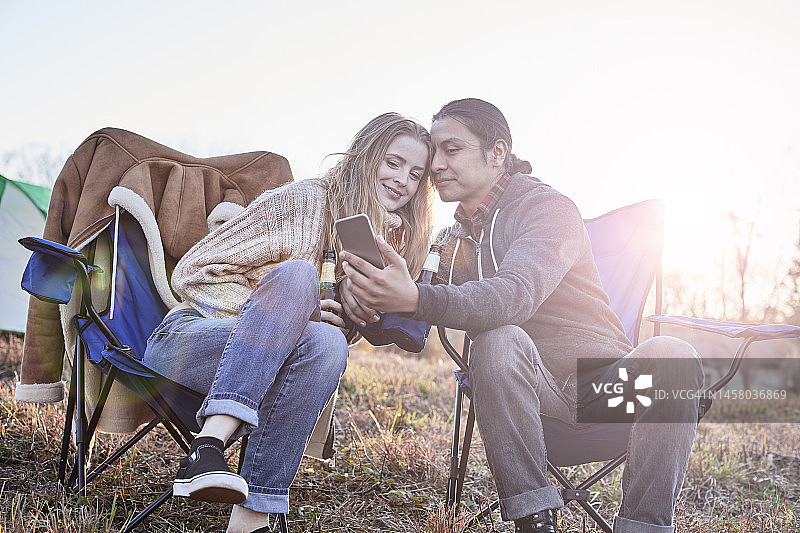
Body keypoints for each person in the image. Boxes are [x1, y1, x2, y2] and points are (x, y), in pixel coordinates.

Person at [339, 98, 703, 533]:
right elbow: (409, 323)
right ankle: (534, 522)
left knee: (672, 354)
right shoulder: (450, 242)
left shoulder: (549, 210)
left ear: (497, 153)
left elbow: (513, 296)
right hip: (525, 400)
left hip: (604, 393)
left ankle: (642, 527)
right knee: (499, 340)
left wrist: (413, 297)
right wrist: (367, 300)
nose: (435, 165)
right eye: (433, 153)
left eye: (451, 150)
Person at [143, 112, 434, 533]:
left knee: (328, 344)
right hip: (186, 342)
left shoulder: (375, 245)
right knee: (298, 278)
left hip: (260, 370)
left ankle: (251, 518)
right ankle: (207, 445)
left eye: (415, 173)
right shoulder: (303, 202)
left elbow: (308, 343)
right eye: (393, 162)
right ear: (367, 156)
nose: (402, 180)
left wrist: (324, 320)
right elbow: (192, 270)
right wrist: (281, 311)